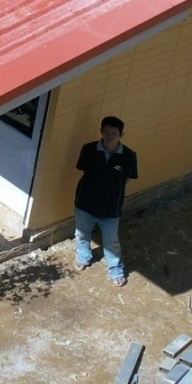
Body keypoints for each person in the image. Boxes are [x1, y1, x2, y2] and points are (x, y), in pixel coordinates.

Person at [73, 115, 137, 287]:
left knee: (111, 241)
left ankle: (115, 270)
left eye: (114, 133)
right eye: (106, 132)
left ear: (121, 134)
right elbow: (83, 169)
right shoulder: (89, 149)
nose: (109, 136)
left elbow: (128, 178)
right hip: (85, 202)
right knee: (81, 234)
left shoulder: (129, 156)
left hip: (111, 207)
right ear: (101, 131)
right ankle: (83, 257)